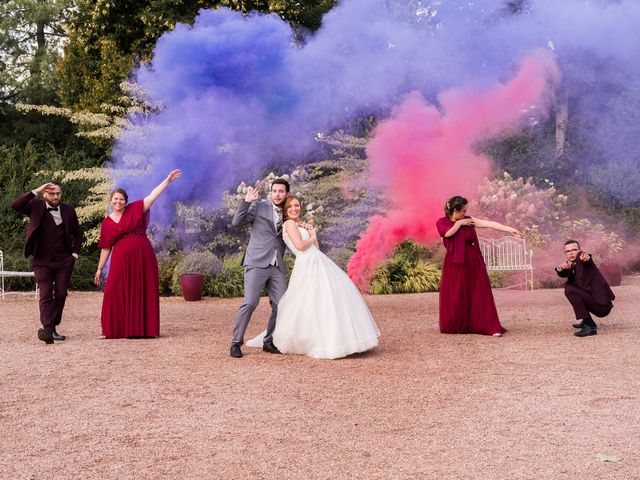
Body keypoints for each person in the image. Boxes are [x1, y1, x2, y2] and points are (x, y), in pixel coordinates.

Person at [249, 194, 380, 359]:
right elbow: (300, 246)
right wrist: (311, 236)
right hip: (306, 264)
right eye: (290, 207)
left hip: (317, 261)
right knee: (309, 300)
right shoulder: (289, 224)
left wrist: (313, 235)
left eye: (296, 206)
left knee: (325, 299)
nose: (294, 209)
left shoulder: (298, 224)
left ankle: (337, 337)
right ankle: (312, 339)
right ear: (285, 210)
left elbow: (315, 248)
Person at [93, 169, 182, 338]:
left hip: (143, 255)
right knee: (112, 290)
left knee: (143, 288)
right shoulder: (107, 222)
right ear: (111, 201)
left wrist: (167, 180)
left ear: (126, 201)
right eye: (115, 199)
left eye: (121, 199)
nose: (118, 202)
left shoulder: (135, 209)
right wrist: (99, 269)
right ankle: (111, 330)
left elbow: (152, 196)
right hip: (120, 259)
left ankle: (144, 330)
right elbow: (106, 247)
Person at [436, 195, 522, 336]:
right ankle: (458, 324)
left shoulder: (468, 220)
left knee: (478, 291)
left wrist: (509, 229)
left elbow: (489, 223)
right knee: (458, 293)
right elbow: (447, 233)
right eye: (463, 210)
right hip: (454, 263)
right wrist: (459, 224)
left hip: (472, 260)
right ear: (455, 210)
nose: (465, 213)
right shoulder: (442, 222)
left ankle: (487, 325)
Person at [11, 182, 83, 344]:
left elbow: (78, 235)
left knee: (60, 294)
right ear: (44, 194)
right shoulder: (35, 207)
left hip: (64, 260)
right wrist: (36, 191)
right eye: (51, 193)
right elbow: (15, 204)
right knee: (45, 293)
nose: (56, 196)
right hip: (41, 261)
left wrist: (75, 255)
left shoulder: (69, 210)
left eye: (58, 193)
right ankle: (48, 330)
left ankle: (52, 326)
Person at [230, 179, 290, 358]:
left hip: (277, 263)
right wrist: (247, 201)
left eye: (281, 191)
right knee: (250, 302)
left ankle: (269, 341)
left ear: (286, 193)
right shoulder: (259, 206)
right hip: (256, 261)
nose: (277, 194)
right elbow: (236, 222)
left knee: (283, 305)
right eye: (275, 191)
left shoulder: (289, 211)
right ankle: (236, 342)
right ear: (270, 192)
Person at [555, 239, 615, 337]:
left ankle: (589, 326)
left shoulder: (583, 259)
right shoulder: (573, 264)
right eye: (568, 251)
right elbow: (563, 273)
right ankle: (586, 320)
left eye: (574, 250)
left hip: (602, 305)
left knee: (570, 290)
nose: (571, 253)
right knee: (571, 286)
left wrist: (586, 257)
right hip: (595, 301)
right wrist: (560, 268)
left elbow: (588, 259)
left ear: (580, 250)